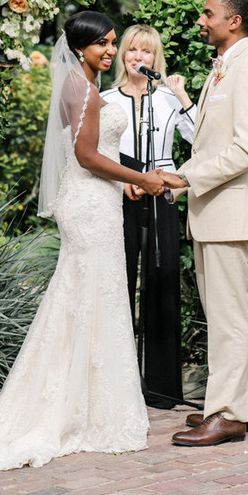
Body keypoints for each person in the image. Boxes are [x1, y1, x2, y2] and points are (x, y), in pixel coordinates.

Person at [0, 11, 165, 470]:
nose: (112, 51)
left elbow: (93, 156)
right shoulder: (82, 88)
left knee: (89, 297)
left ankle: (92, 406)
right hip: (90, 206)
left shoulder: (80, 84)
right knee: (94, 294)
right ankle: (85, 414)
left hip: (96, 199)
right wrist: (141, 177)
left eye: (113, 42)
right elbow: (85, 155)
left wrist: (125, 183)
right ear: (81, 48)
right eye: (104, 44)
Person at [160, 0, 248, 447]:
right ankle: (247, 403)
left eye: (208, 13)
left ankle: (226, 414)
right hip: (211, 212)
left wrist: (186, 177)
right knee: (225, 313)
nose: (200, 20)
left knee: (228, 318)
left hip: (228, 212)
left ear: (234, 21)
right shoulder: (223, 67)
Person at [100, 24, 197, 408]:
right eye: (132, 51)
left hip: (163, 191)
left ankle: (161, 389)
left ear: (156, 59)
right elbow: (98, 150)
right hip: (120, 192)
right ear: (123, 56)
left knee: (163, 282)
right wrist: (124, 181)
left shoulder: (169, 100)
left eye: (147, 52)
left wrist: (183, 94)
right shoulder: (107, 98)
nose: (139, 58)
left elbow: (198, 138)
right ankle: (116, 384)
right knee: (118, 281)